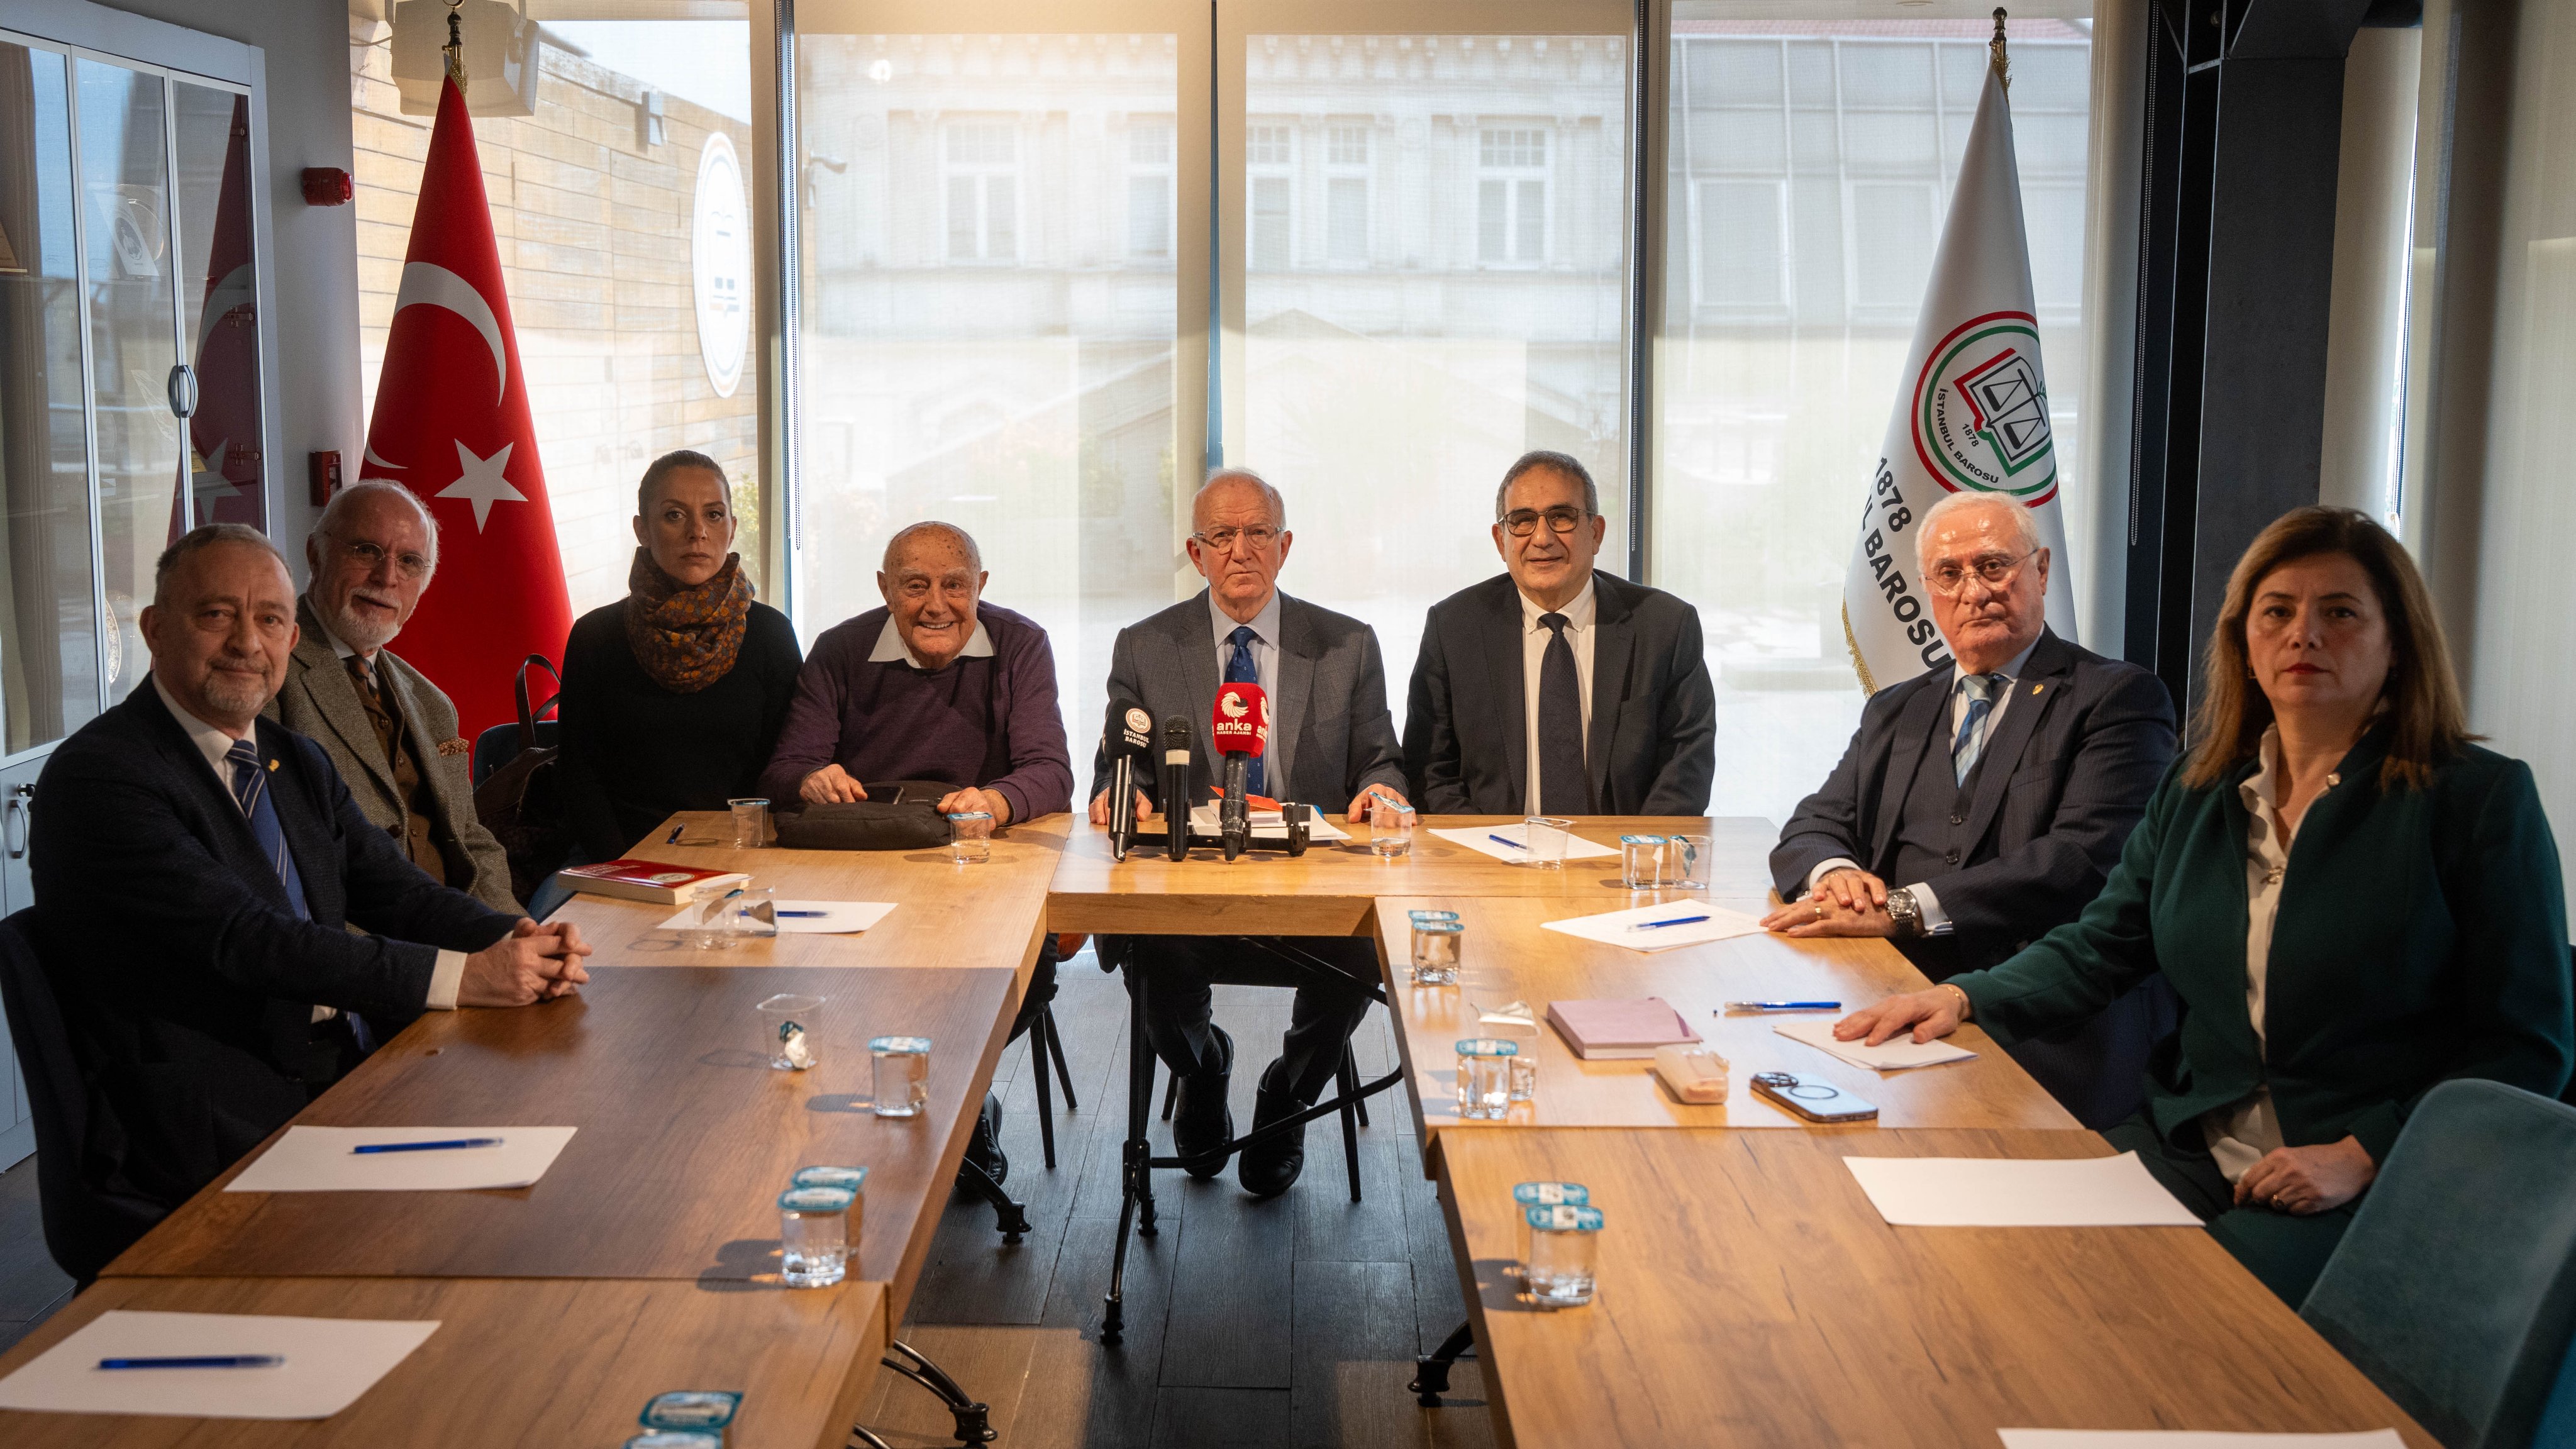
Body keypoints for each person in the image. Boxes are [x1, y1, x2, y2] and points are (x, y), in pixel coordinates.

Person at [1837, 506, 2572, 1304]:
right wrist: (1961, 996)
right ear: (2243, 641)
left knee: (2165, 1316)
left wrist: (2364, 1152)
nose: (2303, 635)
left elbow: (2528, 1046)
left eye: (2339, 613)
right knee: (1995, 1269)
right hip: (2188, 1146)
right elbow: (2102, 944)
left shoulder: (2477, 801)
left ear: (2397, 642)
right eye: (2277, 612)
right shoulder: (2199, 789)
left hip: (2365, 1181)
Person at [28, 525, 592, 1266]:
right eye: (216, 614)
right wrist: (466, 978)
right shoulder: (103, 777)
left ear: (292, 640)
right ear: (156, 629)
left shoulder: (292, 759)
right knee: (481, 1237)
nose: (245, 642)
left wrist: (514, 939)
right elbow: (250, 940)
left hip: (341, 1068)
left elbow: (397, 893)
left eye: (268, 619)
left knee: (556, 1176)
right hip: (205, 1122)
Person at [1763, 490, 2179, 1126]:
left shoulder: (2117, 698)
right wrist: (1836, 876)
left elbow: (2080, 861)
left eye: (1993, 566)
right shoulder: (1896, 708)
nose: (1973, 591)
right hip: (1891, 993)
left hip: (2046, 1018)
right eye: (1949, 574)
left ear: (2041, 570)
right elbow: (1813, 825)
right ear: (1928, 591)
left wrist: (1902, 910)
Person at [1091, 467, 1409, 1197]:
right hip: (1189, 886)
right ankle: (1203, 1068)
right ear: (1196, 552)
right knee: (1147, 947)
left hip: (1314, 889)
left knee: (1365, 947)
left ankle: (1286, 1097)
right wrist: (1122, 795)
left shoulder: (1347, 645)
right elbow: (1122, 764)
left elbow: (1381, 759)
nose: (1241, 550)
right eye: (1222, 535)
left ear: (1284, 546)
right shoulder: (1144, 646)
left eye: (1258, 533)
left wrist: (1382, 789)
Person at [758, 519, 1074, 1042]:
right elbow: (784, 770)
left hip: (981, 871)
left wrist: (995, 800)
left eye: (955, 585)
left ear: (980, 586)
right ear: (885, 588)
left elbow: (1051, 772)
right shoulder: (839, 649)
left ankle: (942, 1081)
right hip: (862, 870)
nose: (936, 605)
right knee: (829, 984)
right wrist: (812, 778)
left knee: (1009, 993)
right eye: (916, 586)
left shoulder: (1021, 643)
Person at [1404, 450, 1715, 814]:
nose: (1542, 538)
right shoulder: (1454, 628)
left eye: (1562, 517)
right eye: (1522, 521)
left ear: (1596, 533)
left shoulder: (1665, 626)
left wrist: (1633, 848)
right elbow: (1429, 772)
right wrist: (1488, 845)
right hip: (1493, 844)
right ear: (1500, 541)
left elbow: (1685, 764)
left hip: (1624, 846)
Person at [262, 480, 519, 913]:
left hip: (462, 924)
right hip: (366, 942)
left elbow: (470, 840)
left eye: (409, 562)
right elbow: (281, 869)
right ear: (315, 554)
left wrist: (516, 931)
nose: (387, 578)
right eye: (366, 551)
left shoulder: (432, 703)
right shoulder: (267, 677)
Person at [558, 450, 802, 867]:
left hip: (749, 853)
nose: (697, 533)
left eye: (714, 515)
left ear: (732, 529)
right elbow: (578, 777)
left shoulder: (770, 634)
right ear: (643, 530)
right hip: (623, 856)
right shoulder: (595, 636)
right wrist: (625, 870)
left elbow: (790, 766)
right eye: (674, 515)